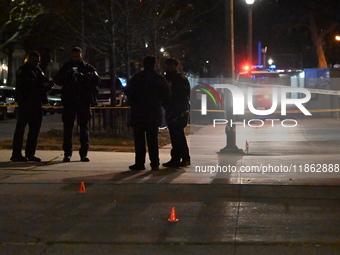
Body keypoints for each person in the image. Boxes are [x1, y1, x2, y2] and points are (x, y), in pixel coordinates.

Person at [53, 47, 100, 162]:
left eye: (78, 56)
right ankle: (67, 153)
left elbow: (97, 80)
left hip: (83, 102)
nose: (76, 59)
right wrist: (67, 76)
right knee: (68, 129)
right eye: (74, 56)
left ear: (81, 56)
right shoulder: (66, 67)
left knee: (84, 129)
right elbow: (57, 80)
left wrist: (83, 77)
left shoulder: (88, 67)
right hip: (69, 102)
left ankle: (83, 153)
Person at [124, 56, 170, 171]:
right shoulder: (159, 79)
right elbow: (166, 95)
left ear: (143, 64)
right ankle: (154, 163)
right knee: (153, 139)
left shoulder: (137, 78)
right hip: (153, 112)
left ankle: (140, 163)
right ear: (154, 64)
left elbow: (128, 91)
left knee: (139, 139)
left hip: (139, 112)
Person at [11, 51, 52, 162]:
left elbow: (43, 84)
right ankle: (16, 154)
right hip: (25, 104)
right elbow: (29, 86)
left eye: (38, 61)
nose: (36, 63)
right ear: (28, 59)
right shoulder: (23, 70)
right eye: (34, 60)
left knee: (34, 130)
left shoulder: (38, 70)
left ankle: (30, 153)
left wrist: (49, 84)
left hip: (36, 103)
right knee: (20, 130)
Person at [162, 58, 191, 168]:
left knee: (178, 134)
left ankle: (184, 158)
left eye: (170, 65)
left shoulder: (180, 78)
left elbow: (184, 94)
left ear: (175, 66)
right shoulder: (166, 78)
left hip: (179, 110)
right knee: (174, 135)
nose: (168, 67)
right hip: (171, 109)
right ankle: (176, 158)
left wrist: (179, 107)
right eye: (167, 65)